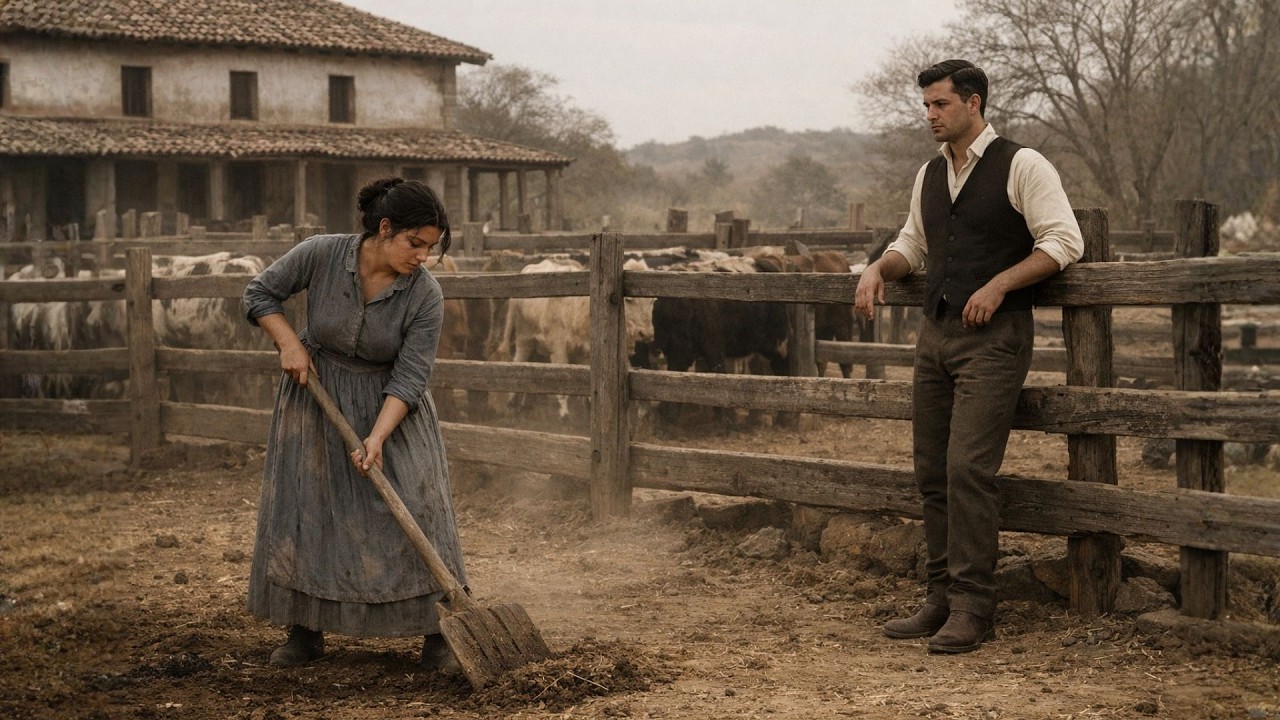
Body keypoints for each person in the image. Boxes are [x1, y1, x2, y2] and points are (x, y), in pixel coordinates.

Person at [854, 60, 1084, 654]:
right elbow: (914, 244)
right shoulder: (930, 173)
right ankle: (939, 597)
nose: (930, 115)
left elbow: (1064, 242)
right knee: (930, 470)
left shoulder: (1023, 165)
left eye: (940, 105)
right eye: (926, 106)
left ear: (973, 103)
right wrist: (881, 266)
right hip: (936, 336)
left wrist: (1000, 283)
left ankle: (974, 606)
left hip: (996, 338)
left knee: (967, 470)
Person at [243, 177, 467, 670]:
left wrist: (378, 436)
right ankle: (304, 630)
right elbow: (260, 294)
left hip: (393, 408)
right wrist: (288, 342)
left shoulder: (425, 295)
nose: (422, 257)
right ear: (384, 229)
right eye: (415, 243)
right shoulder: (321, 254)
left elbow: (410, 377)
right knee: (309, 507)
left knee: (417, 504)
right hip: (315, 399)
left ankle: (439, 632)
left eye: (431, 247)